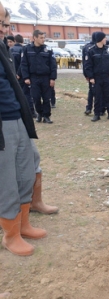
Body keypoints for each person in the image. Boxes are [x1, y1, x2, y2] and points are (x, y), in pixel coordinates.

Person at [0, 0, 47, 256]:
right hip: (1, 125)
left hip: (16, 117)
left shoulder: (2, 47)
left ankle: (24, 223)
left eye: (7, 24)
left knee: (25, 170)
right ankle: (11, 234)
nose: (5, 29)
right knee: (6, 180)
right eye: (1, 24)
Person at [20, 30, 57, 124]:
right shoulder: (27, 49)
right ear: (34, 38)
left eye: (44, 37)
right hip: (33, 77)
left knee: (46, 98)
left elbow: (53, 65)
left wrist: (53, 78)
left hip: (46, 77)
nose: (43, 39)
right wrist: (26, 77)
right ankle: (39, 113)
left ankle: (46, 116)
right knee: (35, 97)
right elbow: (24, 64)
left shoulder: (47, 49)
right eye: (41, 38)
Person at [84, 32, 109, 122]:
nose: (106, 40)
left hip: (106, 77)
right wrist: (91, 77)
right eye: (104, 38)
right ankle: (97, 114)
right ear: (100, 39)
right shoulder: (91, 50)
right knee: (98, 96)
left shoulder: (108, 50)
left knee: (107, 95)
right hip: (96, 78)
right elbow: (88, 66)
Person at [82, 32, 98, 115]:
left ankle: (91, 108)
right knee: (93, 92)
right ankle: (90, 108)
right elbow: (85, 62)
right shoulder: (89, 48)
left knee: (92, 92)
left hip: (93, 73)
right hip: (93, 73)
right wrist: (87, 75)